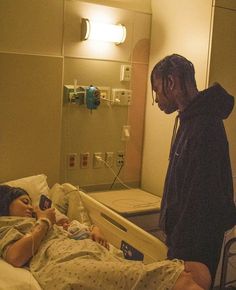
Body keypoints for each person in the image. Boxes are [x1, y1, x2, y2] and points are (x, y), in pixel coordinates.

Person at [0, 185, 208, 290]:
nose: (30, 207)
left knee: (199, 270)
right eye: (24, 201)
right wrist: (44, 221)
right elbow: (16, 256)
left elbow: (73, 227)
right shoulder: (7, 224)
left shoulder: (42, 218)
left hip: (91, 253)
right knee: (182, 280)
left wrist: (93, 231)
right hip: (66, 264)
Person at [150, 53, 236, 289]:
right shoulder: (190, 121)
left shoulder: (205, 126)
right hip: (185, 239)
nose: (157, 100)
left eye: (157, 90)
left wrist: (179, 246)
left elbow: (201, 198)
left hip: (194, 245)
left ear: (171, 83)